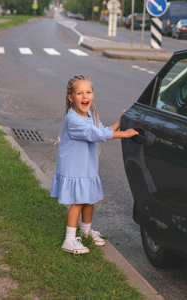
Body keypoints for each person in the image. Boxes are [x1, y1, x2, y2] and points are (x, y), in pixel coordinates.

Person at [50, 75, 139, 254]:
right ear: (71, 98)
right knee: (78, 202)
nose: (85, 97)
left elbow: (100, 131)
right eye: (80, 93)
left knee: (90, 199)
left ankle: (86, 231)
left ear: (93, 94)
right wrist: (125, 134)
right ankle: (69, 240)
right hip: (74, 168)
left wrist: (118, 124)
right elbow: (95, 135)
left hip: (87, 167)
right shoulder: (73, 119)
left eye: (88, 92)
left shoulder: (90, 114)